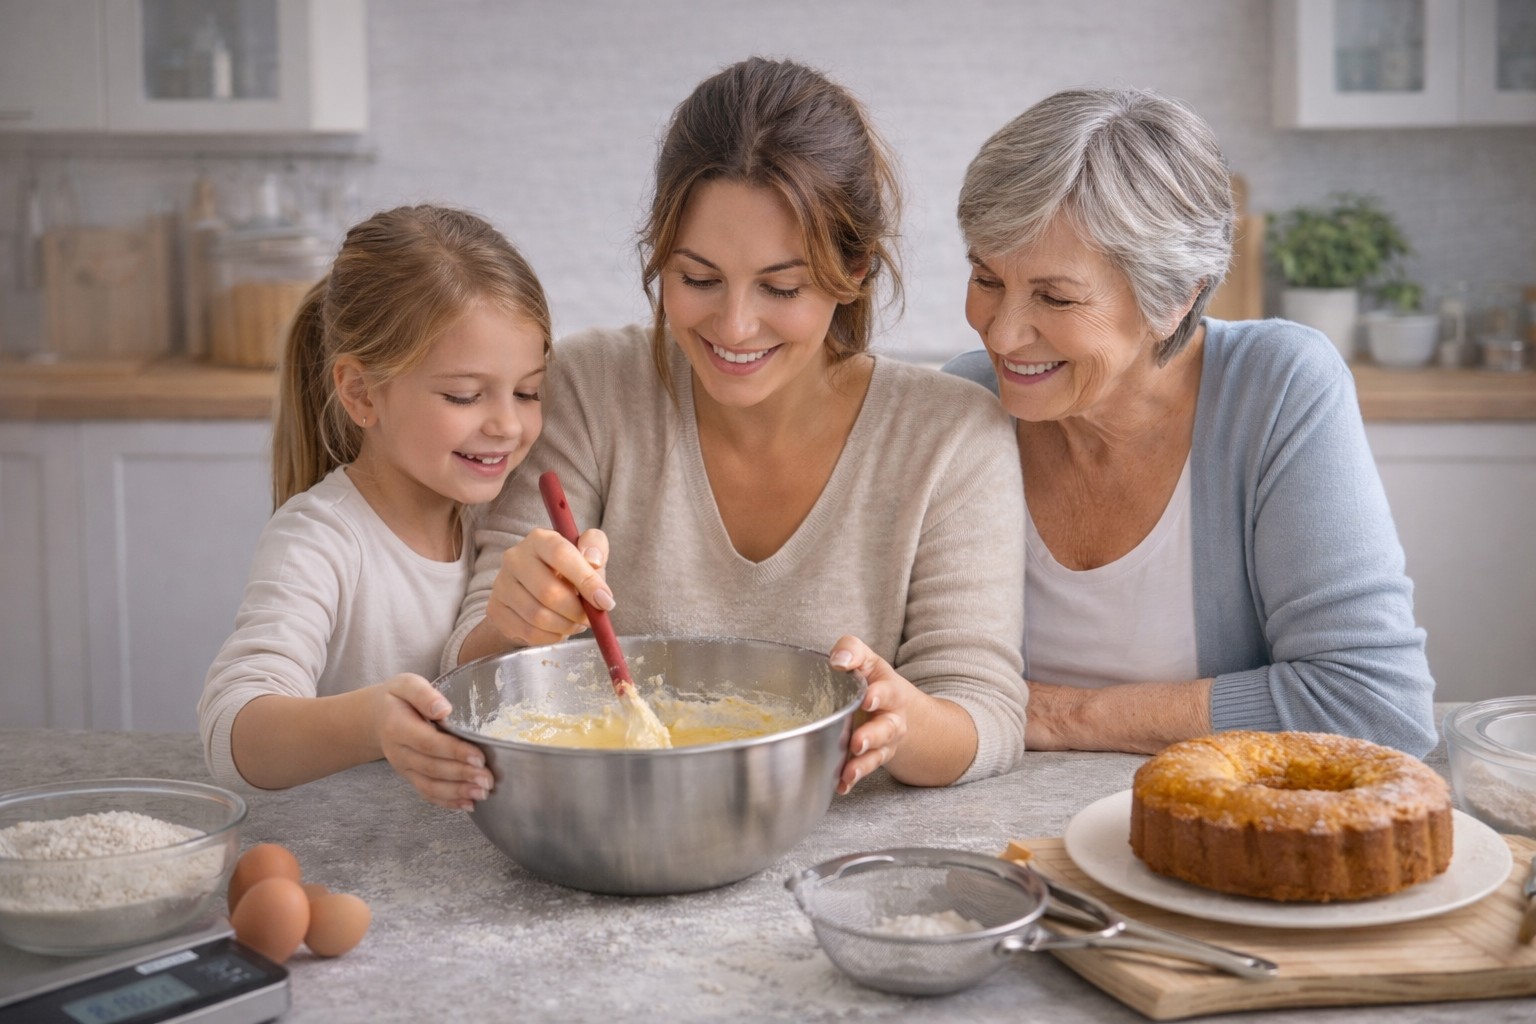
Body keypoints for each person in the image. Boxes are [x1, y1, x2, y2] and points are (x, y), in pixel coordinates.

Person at [446, 57, 1027, 791]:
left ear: (854, 272)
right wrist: (512, 624)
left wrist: (904, 718)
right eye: (697, 279)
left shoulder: (951, 438)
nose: (736, 325)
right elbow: (467, 676)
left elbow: (987, 716)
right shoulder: (590, 388)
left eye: (781, 286)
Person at [944, 87, 1436, 757]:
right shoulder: (966, 406)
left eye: (1055, 297)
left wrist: (1064, 717)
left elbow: (1375, 706)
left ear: (1175, 297)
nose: (1000, 335)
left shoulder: (1278, 388)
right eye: (986, 277)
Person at [199, 204, 552, 810]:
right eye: (464, 395)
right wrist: (371, 723)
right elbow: (232, 733)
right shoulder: (320, 539)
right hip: (346, 854)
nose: (507, 424)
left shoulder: (493, 521)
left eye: (528, 391)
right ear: (362, 394)